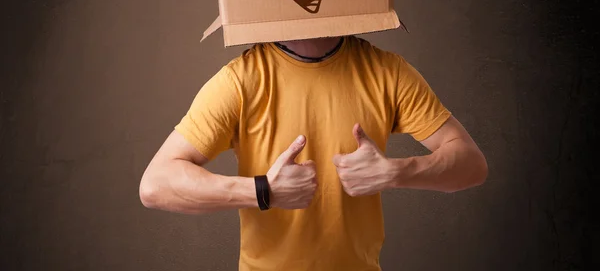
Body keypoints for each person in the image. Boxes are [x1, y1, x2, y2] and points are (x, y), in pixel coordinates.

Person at [139, 34, 488, 271]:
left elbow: (472, 165)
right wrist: (263, 190)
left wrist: (397, 172)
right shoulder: (241, 80)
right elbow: (156, 185)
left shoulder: (387, 72)